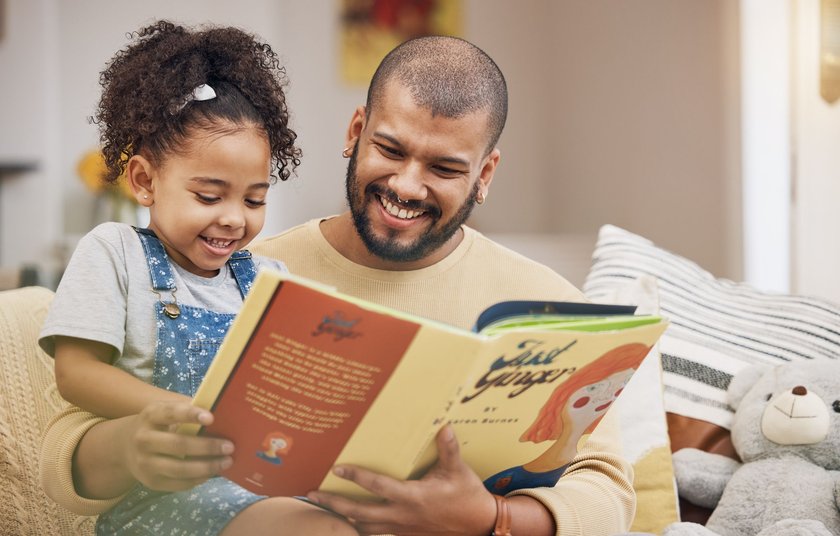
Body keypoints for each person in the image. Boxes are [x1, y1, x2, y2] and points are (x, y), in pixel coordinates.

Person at [40, 34, 636, 535]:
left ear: (486, 174)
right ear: (356, 130)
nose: (407, 185)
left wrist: (490, 517)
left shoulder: (547, 306)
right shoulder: (244, 268)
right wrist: (131, 449)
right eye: (389, 148)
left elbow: (610, 490)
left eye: (446, 168)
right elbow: (69, 438)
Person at [38, 20, 355, 536]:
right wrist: (191, 413)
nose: (234, 217)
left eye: (254, 199)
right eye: (209, 196)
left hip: (264, 483)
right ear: (144, 180)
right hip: (162, 497)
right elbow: (76, 373)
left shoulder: (270, 279)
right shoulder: (115, 253)